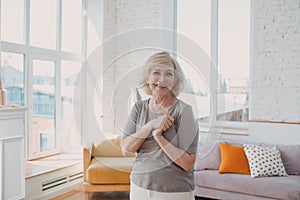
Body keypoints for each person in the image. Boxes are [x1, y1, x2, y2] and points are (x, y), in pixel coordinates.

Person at [121, 51, 199, 200]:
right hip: (139, 187)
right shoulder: (139, 108)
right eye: (156, 72)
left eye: (169, 74)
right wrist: (150, 125)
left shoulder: (184, 111)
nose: (162, 79)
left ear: (175, 80)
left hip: (175, 191)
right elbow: (126, 149)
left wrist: (159, 138)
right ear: (147, 77)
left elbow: (188, 163)